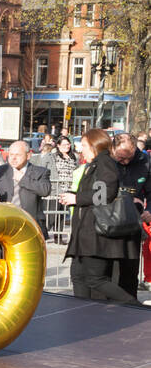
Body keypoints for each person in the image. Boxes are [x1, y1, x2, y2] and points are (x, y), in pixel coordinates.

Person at [58, 129, 143, 304]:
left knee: (95, 278)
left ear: (94, 145)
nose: (81, 150)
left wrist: (77, 198)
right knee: (79, 275)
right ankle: (81, 313)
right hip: (86, 233)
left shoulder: (104, 161)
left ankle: (133, 306)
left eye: (84, 146)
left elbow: (106, 192)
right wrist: (74, 195)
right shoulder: (97, 162)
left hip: (95, 234)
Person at [111, 132, 151, 298]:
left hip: (134, 222)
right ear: (113, 149)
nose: (125, 161)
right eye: (121, 158)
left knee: (130, 268)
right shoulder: (106, 161)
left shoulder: (145, 162)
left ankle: (130, 304)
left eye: (129, 157)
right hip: (110, 222)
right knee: (112, 270)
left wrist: (150, 211)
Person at [0, 141, 52, 234]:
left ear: (28, 155)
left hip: (30, 225)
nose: (13, 158)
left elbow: (45, 190)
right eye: (11, 154)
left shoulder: (40, 171)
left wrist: (23, 179)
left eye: (18, 155)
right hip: (4, 225)